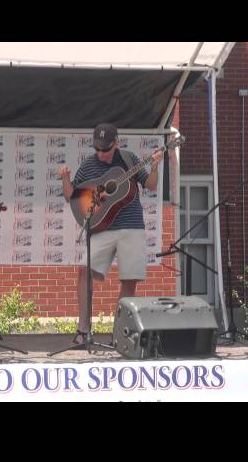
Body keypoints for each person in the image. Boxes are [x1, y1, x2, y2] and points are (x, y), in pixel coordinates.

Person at [58, 123, 163, 344]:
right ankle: (84, 329)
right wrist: (65, 179)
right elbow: (72, 197)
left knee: (129, 279)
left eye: (105, 149)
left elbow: (151, 185)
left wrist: (154, 166)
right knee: (83, 271)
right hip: (101, 227)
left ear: (116, 144)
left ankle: (120, 333)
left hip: (131, 226)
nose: (100, 153)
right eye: (97, 149)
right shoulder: (88, 165)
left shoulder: (129, 159)